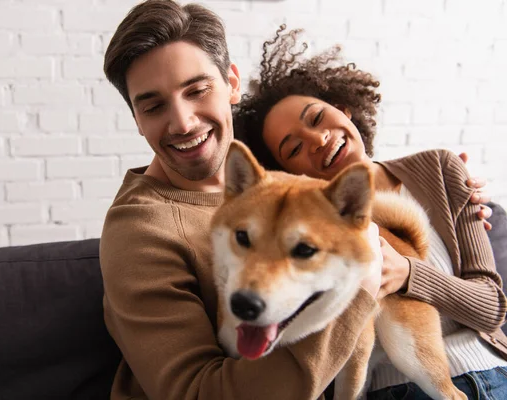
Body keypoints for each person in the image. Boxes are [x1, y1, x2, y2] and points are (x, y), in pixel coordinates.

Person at [98, 1, 385, 399]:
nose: (182, 123)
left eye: (197, 91)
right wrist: (361, 289)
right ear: (136, 118)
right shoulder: (140, 233)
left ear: (232, 83)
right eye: (153, 106)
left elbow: (354, 196)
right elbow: (198, 393)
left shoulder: (267, 179)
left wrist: (445, 185)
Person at [233, 25, 507, 399]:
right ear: (291, 175)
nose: (317, 139)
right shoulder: (312, 235)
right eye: (293, 148)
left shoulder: (441, 169)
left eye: (316, 118)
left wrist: (408, 272)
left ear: (344, 110)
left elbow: (492, 307)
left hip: (484, 374)